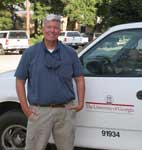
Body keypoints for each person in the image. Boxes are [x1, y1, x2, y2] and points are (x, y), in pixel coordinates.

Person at [15, 14, 85, 150]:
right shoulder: (30, 53)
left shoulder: (70, 53)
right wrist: (25, 108)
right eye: (49, 27)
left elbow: (79, 78)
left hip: (65, 110)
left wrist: (80, 103)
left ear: (60, 30)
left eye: (55, 28)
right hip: (39, 112)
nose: (52, 30)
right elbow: (20, 81)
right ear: (43, 29)